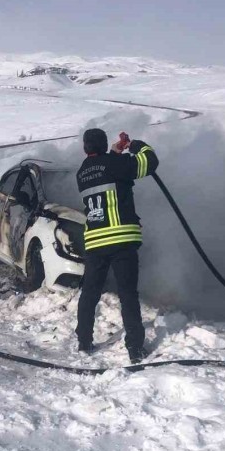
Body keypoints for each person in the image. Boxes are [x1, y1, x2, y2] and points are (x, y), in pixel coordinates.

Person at [75, 128, 159, 364]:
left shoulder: (82, 172)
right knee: (128, 295)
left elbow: (103, 168)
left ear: (85, 149)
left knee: (90, 293)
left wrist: (114, 152)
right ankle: (135, 348)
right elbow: (149, 163)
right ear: (102, 146)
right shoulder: (114, 165)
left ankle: (84, 341)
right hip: (121, 240)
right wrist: (135, 145)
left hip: (95, 242)